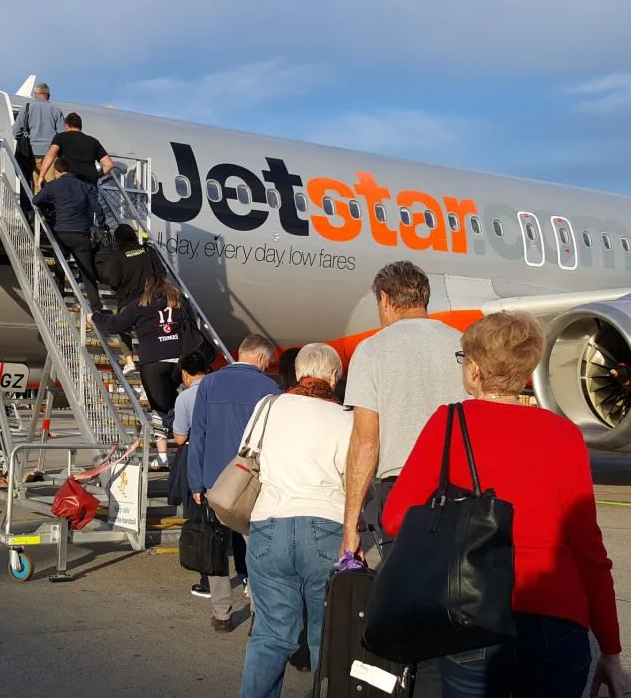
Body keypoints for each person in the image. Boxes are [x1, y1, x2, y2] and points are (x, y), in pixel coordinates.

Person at [382, 312, 626, 698]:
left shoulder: (449, 422)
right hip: (556, 617)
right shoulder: (565, 435)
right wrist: (610, 651)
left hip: (470, 612)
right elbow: (590, 552)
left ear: (474, 370)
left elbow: (396, 518)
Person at [240, 344, 353, 697]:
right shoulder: (346, 418)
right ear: (334, 376)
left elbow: (246, 453)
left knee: (271, 635)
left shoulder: (268, 406)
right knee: (326, 637)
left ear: (299, 372)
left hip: (269, 524)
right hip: (326, 526)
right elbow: (355, 479)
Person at [342, 260, 466, 559]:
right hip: (459, 484)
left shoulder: (373, 349)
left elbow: (366, 442)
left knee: (403, 590)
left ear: (385, 299)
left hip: (402, 486)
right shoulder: (463, 343)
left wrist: (349, 525)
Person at [189, 333, 281, 632]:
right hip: (252, 481)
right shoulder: (270, 388)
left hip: (214, 479)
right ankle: (257, 611)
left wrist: (196, 483)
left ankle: (222, 614)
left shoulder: (210, 384)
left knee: (215, 547)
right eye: (268, 361)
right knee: (256, 547)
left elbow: (197, 436)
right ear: (260, 358)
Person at [96, 273, 183, 469]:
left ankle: (162, 456)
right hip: (178, 360)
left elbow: (115, 324)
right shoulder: (179, 303)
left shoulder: (141, 304)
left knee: (159, 411)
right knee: (176, 405)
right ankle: (183, 447)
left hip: (153, 362)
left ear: (147, 285)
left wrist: (95, 316)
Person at [32, 158, 103, 317]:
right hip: (81, 234)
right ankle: (96, 307)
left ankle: (59, 294)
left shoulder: (53, 185)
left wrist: (51, 206)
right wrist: (103, 227)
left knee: (60, 266)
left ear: (56, 171)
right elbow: (97, 207)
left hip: (62, 233)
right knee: (87, 271)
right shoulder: (84, 186)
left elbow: (36, 200)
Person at [169, 350, 211, 598]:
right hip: (224, 457)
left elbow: (180, 437)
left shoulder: (185, 398)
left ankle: (206, 579)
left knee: (199, 518)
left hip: (196, 458)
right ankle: (246, 575)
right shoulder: (219, 389)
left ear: (185, 374)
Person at [100, 223, 165, 376]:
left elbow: (113, 280)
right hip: (150, 299)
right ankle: (150, 370)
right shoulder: (148, 251)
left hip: (128, 300)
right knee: (149, 334)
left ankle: (129, 361)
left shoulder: (117, 256)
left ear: (117, 239)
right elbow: (161, 272)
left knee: (122, 325)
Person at [37, 112, 117, 229]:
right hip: (89, 184)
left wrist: (41, 176)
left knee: (65, 214)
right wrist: (95, 175)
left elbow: (51, 155)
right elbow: (109, 164)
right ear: (81, 126)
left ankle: (63, 240)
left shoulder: (61, 137)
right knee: (88, 219)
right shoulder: (93, 141)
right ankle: (88, 240)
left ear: (66, 125)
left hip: (69, 184)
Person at [12, 82, 65, 193]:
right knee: (51, 183)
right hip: (51, 154)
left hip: (31, 152)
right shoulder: (56, 110)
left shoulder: (26, 109)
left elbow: (16, 132)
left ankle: (37, 208)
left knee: (35, 184)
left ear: (35, 94)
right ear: (48, 95)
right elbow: (61, 135)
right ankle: (51, 208)